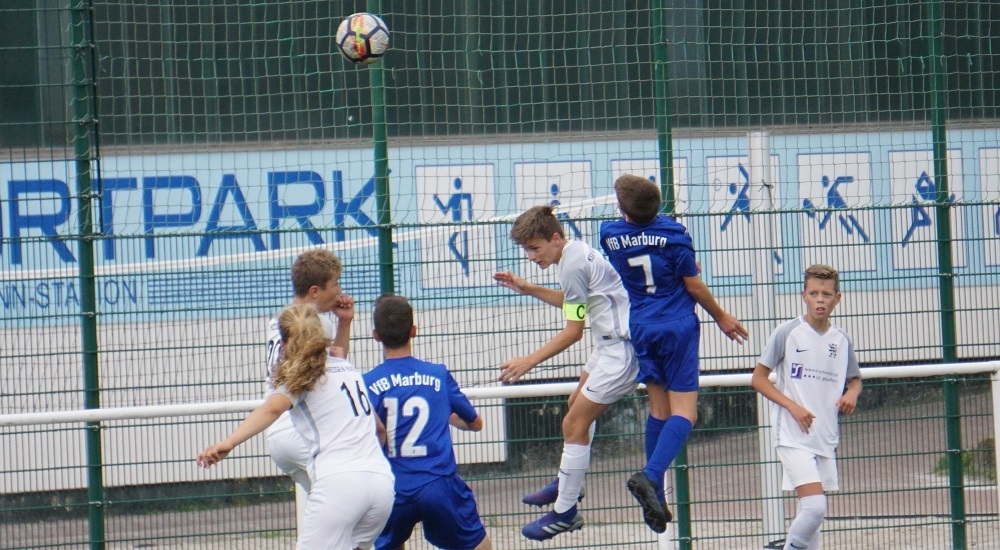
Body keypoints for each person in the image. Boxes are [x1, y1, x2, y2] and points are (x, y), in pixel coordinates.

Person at [600, 174, 749, 533]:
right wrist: (721, 316)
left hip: (641, 326)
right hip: (676, 326)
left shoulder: (608, 234)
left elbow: (635, 248)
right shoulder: (675, 234)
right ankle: (650, 475)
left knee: (659, 410)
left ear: (623, 210)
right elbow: (692, 284)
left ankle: (657, 495)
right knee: (685, 413)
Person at [494, 205, 639, 541]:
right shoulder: (572, 255)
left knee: (574, 423)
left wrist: (529, 361)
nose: (531, 256)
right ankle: (567, 483)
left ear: (556, 238)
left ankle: (565, 512)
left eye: (535, 248)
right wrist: (527, 288)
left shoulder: (571, 264)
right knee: (574, 407)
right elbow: (576, 301)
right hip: (607, 347)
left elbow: (574, 331)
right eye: (526, 250)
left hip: (621, 352)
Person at [198, 304, 394, 550]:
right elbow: (379, 430)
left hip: (339, 484)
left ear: (284, 343)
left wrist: (229, 442)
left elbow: (271, 409)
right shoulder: (349, 371)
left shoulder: (304, 376)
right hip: (381, 484)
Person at [362, 294, 493, 550]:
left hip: (392, 487)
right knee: (478, 545)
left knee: (388, 542)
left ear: (375, 335)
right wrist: (445, 414)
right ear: (414, 330)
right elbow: (475, 423)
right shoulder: (438, 375)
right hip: (438, 484)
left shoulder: (367, 383)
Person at [751, 264, 862, 550]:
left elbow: (855, 380)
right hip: (793, 435)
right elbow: (759, 379)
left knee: (813, 519)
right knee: (814, 507)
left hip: (825, 436)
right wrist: (793, 407)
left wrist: (852, 393)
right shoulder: (787, 332)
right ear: (804, 296)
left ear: (837, 298)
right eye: (813, 293)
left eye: (826, 294)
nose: (820, 300)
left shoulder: (841, 339)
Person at [265, 248, 356, 493]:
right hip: (301, 429)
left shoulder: (280, 320)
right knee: (353, 493)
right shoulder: (316, 325)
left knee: (325, 506)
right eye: (335, 283)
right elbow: (336, 368)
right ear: (315, 291)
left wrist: (344, 321)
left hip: (278, 435)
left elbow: (329, 365)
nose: (339, 290)